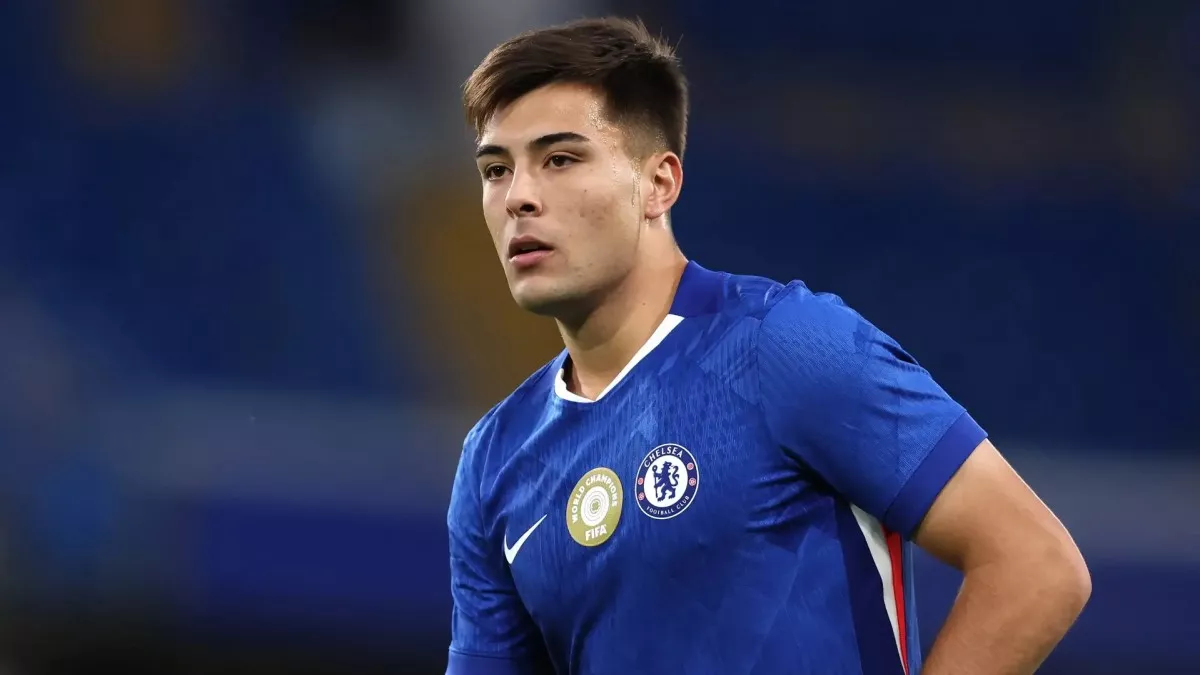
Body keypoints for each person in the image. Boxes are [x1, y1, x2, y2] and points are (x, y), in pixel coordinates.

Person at [446, 16, 1090, 675]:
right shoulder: (495, 458)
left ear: (659, 184)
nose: (518, 197)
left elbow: (1034, 565)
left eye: (560, 159)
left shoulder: (785, 345)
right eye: (496, 170)